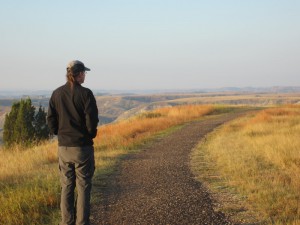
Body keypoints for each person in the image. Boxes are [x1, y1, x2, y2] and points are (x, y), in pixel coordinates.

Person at [47, 60, 99, 225]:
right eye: (84, 73)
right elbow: (92, 120)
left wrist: (59, 133)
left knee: (67, 186)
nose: (85, 76)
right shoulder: (86, 94)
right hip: (82, 147)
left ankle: (66, 222)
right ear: (80, 73)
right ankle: (82, 222)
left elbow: (51, 119)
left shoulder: (56, 93)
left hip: (64, 147)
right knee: (83, 186)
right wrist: (90, 135)